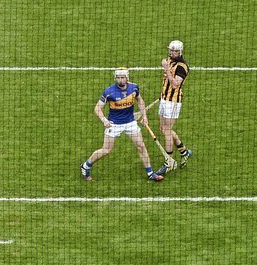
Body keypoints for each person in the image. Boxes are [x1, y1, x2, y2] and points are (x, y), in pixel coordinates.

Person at [81, 68, 164, 182]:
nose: (120, 80)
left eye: (122, 77)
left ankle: (150, 173)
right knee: (106, 150)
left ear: (127, 78)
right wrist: (104, 120)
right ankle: (86, 166)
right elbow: (97, 108)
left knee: (141, 146)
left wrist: (144, 116)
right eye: (118, 78)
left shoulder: (134, 88)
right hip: (114, 124)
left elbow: (140, 100)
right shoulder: (109, 92)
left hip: (130, 123)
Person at [158, 40, 193, 169]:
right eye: (171, 51)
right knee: (163, 129)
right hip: (164, 99)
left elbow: (175, 84)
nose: (173, 53)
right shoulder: (170, 60)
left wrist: (166, 69)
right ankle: (184, 152)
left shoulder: (182, 67)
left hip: (173, 102)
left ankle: (169, 161)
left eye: (175, 51)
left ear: (180, 52)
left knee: (167, 130)